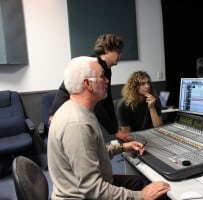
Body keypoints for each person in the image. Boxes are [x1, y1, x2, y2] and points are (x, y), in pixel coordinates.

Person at [47, 56, 170, 199]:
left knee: (137, 181)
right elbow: (93, 190)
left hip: (90, 187)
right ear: (88, 84)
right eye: (102, 76)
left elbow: (92, 152)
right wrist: (140, 196)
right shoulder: (77, 125)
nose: (107, 80)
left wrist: (123, 147)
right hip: (83, 196)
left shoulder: (79, 110)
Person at [49, 34, 132, 142]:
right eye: (118, 51)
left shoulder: (106, 69)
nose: (121, 55)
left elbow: (107, 100)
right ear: (106, 49)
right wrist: (53, 113)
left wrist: (115, 128)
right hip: (69, 116)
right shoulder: (90, 65)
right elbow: (64, 88)